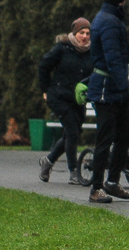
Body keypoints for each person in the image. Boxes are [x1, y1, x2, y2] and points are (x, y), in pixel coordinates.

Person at [85, 0, 129, 204]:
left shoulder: (107, 18)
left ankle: (112, 181)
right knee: (105, 138)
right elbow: (113, 57)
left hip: (114, 88)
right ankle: (96, 188)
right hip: (107, 88)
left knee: (125, 134)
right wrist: (124, 85)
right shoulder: (110, 22)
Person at [37, 18, 93, 184]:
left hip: (78, 99)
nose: (85, 36)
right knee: (72, 133)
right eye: (81, 33)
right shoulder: (62, 48)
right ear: (74, 33)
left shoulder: (91, 51)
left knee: (72, 134)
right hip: (59, 96)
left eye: (87, 33)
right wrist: (45, 90)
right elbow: (44, 66)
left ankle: (48, 161)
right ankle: (74, 172)